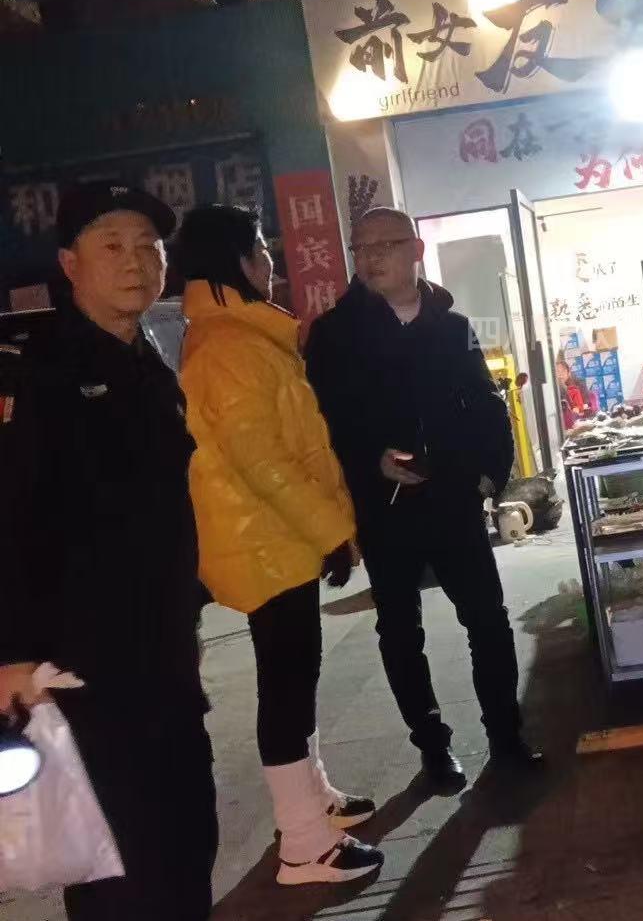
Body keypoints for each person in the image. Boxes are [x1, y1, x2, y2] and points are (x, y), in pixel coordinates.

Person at [0, 182, 216, 919]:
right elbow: (9, 518)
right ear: (70, 263)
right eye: (112, 246)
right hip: (82, 671)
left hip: (162, 660)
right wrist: (13, 654)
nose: (136, 262)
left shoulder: (149, 362)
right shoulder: (39, 373)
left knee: (186, 842)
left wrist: (185, 617)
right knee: (118, 872)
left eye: (149, 247)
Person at [175, 205, 384, 886]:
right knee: (286, 686)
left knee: (297, 676)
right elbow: (263, 462)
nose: (269, 261)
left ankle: (313, 801)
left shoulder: (242, 335)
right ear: (236, 260)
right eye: (261, 249)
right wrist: (333, 531)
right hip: (266, 541)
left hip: (278, 538)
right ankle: (303, 843)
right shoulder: (227, 347)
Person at [305, 207, 540, 787]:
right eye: (360, 248)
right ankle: (434, 748)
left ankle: (506, 737)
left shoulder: (451, 325)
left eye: (384, 245)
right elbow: (323, 422)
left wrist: (488, 477)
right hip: (385, 508)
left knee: (487, 620)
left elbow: (487, 403)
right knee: (400, 630)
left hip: (454, 498)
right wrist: (373, 459)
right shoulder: (335, 334)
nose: (370, 258)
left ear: (415, 250)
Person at [555, 352, 596, 430]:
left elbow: (585, 404)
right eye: (557, 372)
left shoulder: (578, 384)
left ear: (568, 372)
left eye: (562, 371)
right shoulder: (555, 389)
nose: (560, 375)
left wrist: (578, 408)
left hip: (582, 419)